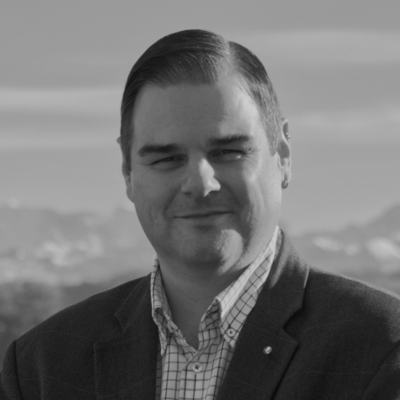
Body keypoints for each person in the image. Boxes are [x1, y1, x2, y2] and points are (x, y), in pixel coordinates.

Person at [1, 29, 400, 400]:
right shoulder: (41, 367)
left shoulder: (383, 346)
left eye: (228, 152)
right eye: (167, 158)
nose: (200, 183)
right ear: (127, 172)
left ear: (282, 155)